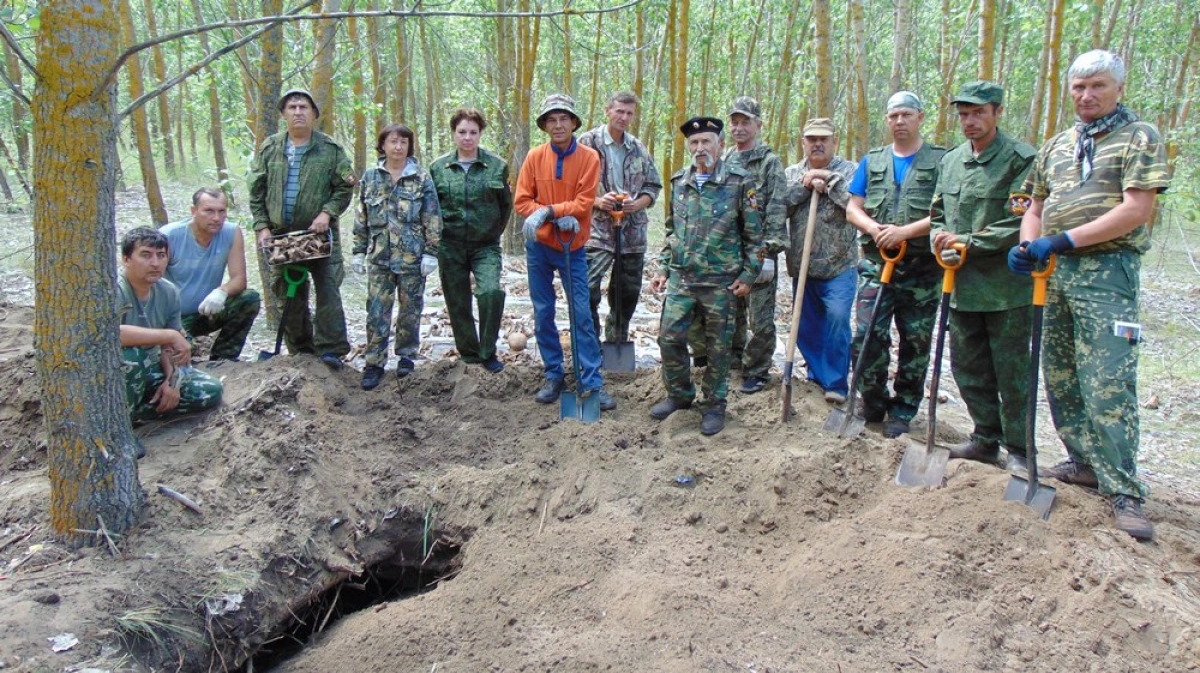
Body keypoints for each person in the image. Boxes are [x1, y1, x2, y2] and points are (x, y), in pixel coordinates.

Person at [1009, 50, 1169, 540]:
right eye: (1079, 88)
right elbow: (1035, 204)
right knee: (1060, 374)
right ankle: (1083, 462)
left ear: (1118, 88)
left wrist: (1067, 239)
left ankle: (1124, 487)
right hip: (1055, 274)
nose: (1086, 96)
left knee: (1107, 379)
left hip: (1106, 271)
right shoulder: (1058, 145)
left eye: (1097, 86)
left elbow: (1136, 209)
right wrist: (1027, 243)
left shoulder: (1139, 137)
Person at [928, 81, 1036, 469]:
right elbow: (937, 212)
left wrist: (969, 242)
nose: (970, 121)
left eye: (978, 113)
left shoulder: (1020, 159)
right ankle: (984, 437)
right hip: (960, 285)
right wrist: (939, 240)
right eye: (963, 114)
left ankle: (1020, 450)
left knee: (1012, 372)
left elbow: (1020, 221)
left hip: (1005, 288)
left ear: (997, 112)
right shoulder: (952, 160)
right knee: (968, 367)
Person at [649, 117, 764, 436]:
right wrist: (662, 268)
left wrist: (749, 274)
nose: (700, 148)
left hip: (721, 283)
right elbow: (672, 232)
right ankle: (679, 395)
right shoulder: (679, 183)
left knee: (718, 348)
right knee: (669, 338)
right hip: (682, 281)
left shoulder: (740, 182)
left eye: (707, 142)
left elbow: (756, 237)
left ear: (721, 145)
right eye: (695, 143)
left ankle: (714, 404)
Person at [845, 91, 946, 438]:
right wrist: (875, 229)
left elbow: (946, 211)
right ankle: (872, 401)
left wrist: (905, 232)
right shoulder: (872, 162)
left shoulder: (942, 161)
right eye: (893, 116)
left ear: (920, 117)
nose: (899, 121)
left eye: (906, 115)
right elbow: (852, 207)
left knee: (915, 341)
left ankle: (903, 410)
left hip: (922, 268)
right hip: (876, 263)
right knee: (866, 334)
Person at [514, 94, 614, 411]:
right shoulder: (533, 157)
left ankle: (591, 382)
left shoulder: (589, 158)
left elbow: (584, 203)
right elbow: (522, 200)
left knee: (581, 314)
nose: (558, 125)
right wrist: (546, 215)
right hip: (540, 246)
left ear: (573, 123)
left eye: (564, 119)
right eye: (552, 120)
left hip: (573, 246)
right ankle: (554, 374)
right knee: (544, 312)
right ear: (544, 125)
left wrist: (551, 210)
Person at [248, 88, 356, 370]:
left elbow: (345, 188)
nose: (298, 112)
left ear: (314, 114)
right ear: (284, 114)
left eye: (304, 107)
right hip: (281, 236)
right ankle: (301, 352)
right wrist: (261, 227)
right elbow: (256, 191)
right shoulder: (270, 148)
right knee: (288, 295)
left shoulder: (330, 149)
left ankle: (330, 351)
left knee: (328, 292)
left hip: (318, 236)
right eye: (292, 107)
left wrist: (327, 213)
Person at [351, 124, 442, 390]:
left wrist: (431, 252)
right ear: (383, 145)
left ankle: (406, 357)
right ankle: (374, 362)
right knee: (377, 311)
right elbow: (361, 217)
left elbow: (432, 216)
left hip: (412, 257)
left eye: (404, 142)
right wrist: (358, 251)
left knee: (410, 310)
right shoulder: (371, 177)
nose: (398, 147)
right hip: (379, 257)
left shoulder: (421, 177)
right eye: (393, 141)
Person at [429, 108, 512, 374]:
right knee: (457, 300)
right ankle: (469, 354)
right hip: (450, 245)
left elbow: (505, 207)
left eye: (473, 132)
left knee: (490, 293)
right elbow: (432, 209)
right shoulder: (438, 168)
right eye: (462, 132)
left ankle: (488, 351)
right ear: (453, 133)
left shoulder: (497, 166)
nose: (467, 138)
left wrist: (491, 232)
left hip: (485, 245)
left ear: (480, 134)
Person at [782, 118, 858, 404]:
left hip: (840, 265)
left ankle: (836, 383)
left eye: (824, 139)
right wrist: (804, 185)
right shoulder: (791, 173)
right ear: (803, 142)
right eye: (812, 139)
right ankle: (818, 376)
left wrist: (830, 184)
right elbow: (780, 207)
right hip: (803, 268)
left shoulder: (850, 171)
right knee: (806, 328)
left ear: (834, 142)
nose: (818, 144)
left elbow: (856, 205)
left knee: (838, 320)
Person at [578, 91, 663, 348]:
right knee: (587, 289)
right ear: (608, 110)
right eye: (619, 112)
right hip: (596, 231)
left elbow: (653, 186)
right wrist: (596, 200)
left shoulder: (638, 148)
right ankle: (589, 345)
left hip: (631, 233)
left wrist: (637, 204)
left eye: (629, 113)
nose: (624, 118)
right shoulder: (587, 143)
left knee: (626, 293)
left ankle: (616, 342)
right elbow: (570, 185)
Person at [118, 227, 223, 425]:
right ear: (126, 259)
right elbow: (111, 334)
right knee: (131, 357)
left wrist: (172, 380)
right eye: (146, 255)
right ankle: (119, 428)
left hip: (152, 368)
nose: (155, 263)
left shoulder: (168, 291)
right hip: (118, 375)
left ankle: (139, 413)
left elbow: (171, 347)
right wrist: (168, 335)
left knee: (210, 390)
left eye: (161, 255)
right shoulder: (114, 289)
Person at [719, 96, 788, 393]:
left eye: (745, 121)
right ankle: (734, 362)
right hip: (729, 251)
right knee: (730, 312)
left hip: (759, 251)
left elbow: (776, 207)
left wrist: (769, 253)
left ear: (758, 125)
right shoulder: (725, 162)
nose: (739, 127)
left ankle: (757, 369)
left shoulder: (770, 162)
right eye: (734, 122)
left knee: (759, 317)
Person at [161, 187, 262, 361]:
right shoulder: (169, 235)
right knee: (183, 353)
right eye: (209, 211)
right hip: (173, 318)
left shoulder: (231, 232)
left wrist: (221, 292)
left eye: (221, 211)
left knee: (249, 298)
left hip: (206, 311)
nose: (216, 218)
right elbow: (153, 283)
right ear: (194, 211)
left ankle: (224, 359)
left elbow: (239, 278)